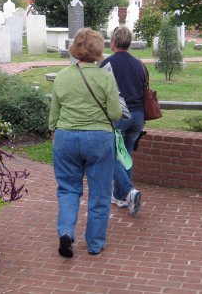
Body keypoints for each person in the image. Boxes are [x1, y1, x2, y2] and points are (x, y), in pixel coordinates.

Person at [49, 27, 137, 258]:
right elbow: (116, 113)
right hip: (98, 139)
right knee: (99, 192)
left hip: (66, 137)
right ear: (99, 50)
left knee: (68, 189)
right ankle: (95, 243)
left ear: (75, 49)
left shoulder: (62, 76)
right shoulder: (105, 78)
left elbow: (53, 114)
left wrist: (54, 132)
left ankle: (66, 232)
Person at [100, 25, 146, 214]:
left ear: (113, 42)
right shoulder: (139, 64)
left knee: (110, 156)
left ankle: (127, 191)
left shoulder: (107, 64)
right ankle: (121, 197)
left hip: (120, 115)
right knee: (125, 155)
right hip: (138, 116)